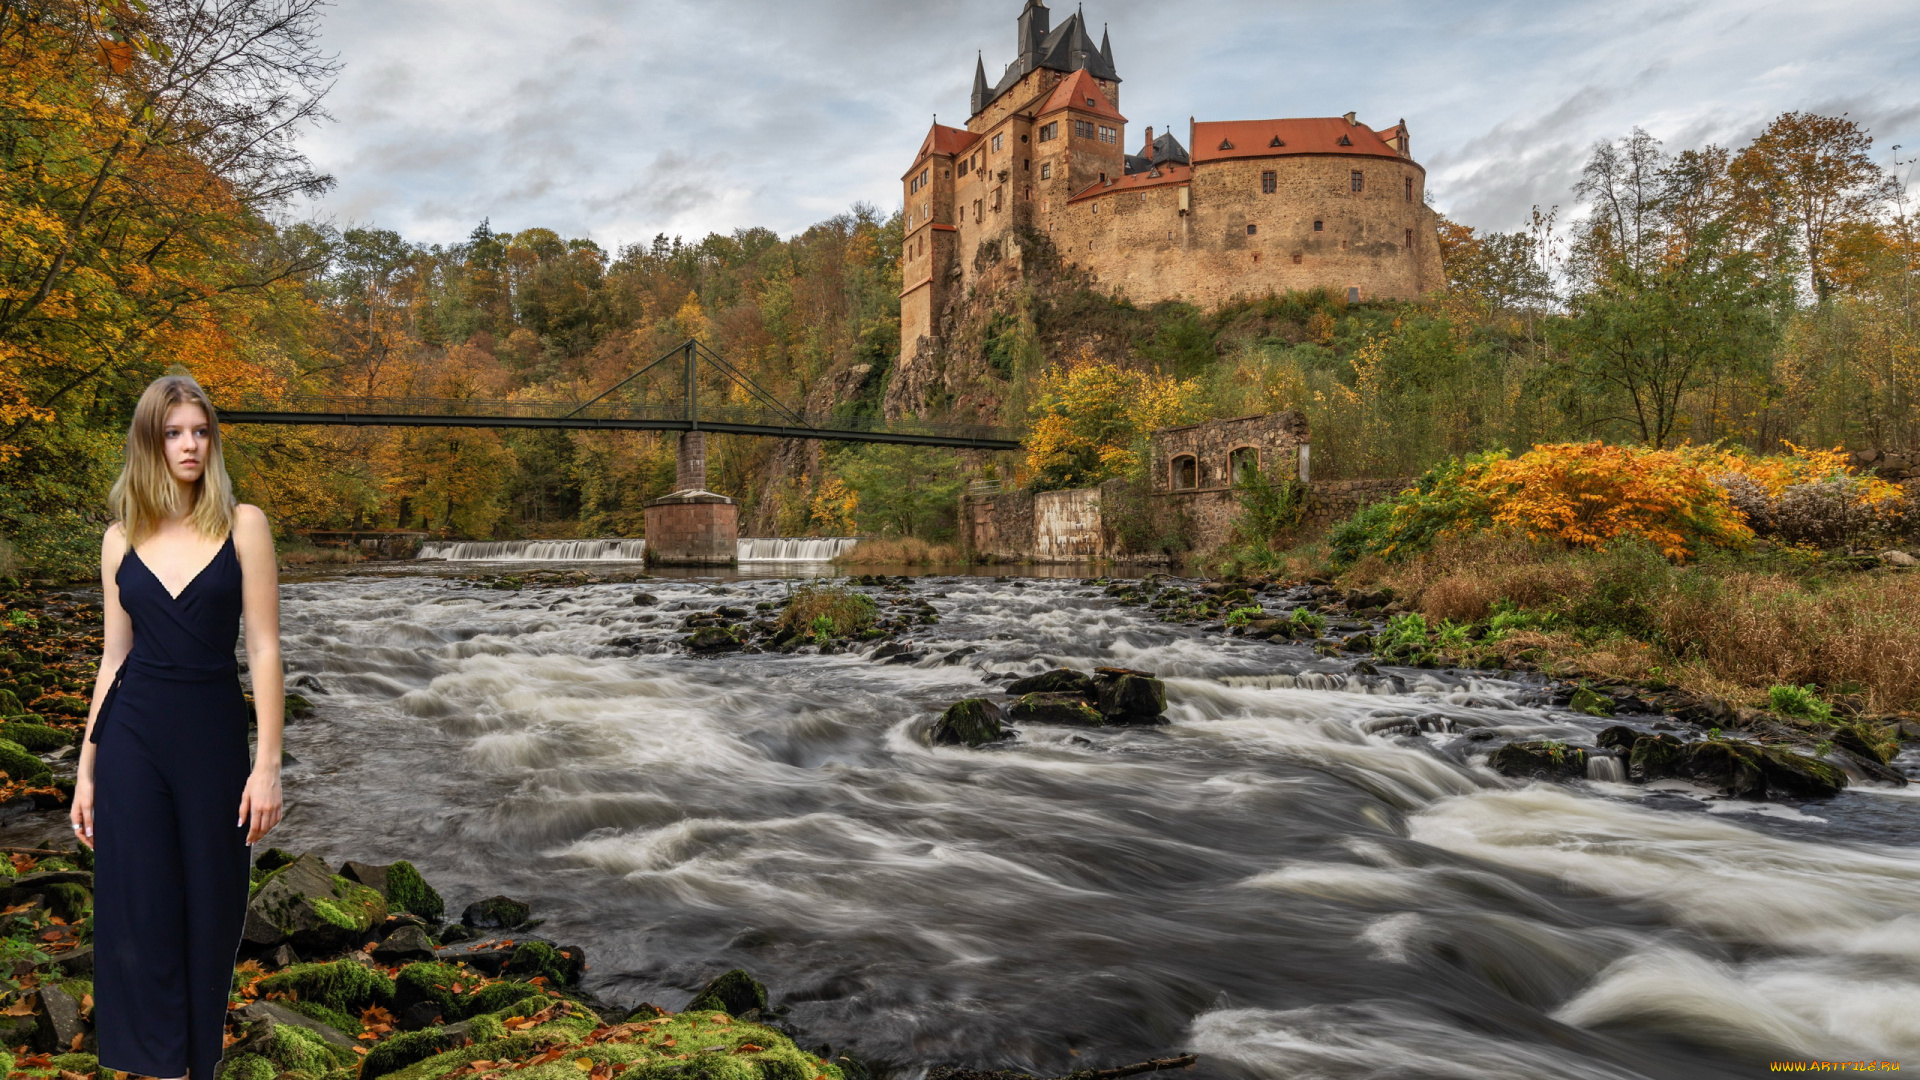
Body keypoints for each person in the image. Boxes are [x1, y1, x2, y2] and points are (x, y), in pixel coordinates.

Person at [71, 374, 285, 1080]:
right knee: (139, 909)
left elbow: (264, 649)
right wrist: (86, 770)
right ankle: (154, 1067)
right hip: (131, 738)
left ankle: (197, 1065)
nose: (189, 445)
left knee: (213, 906)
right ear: (150, 442)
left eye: (200, 431)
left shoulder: (243, 524)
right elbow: (113, 660)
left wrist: (268, 766)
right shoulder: (119, 539)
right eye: (173, 433)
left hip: (213, 736)